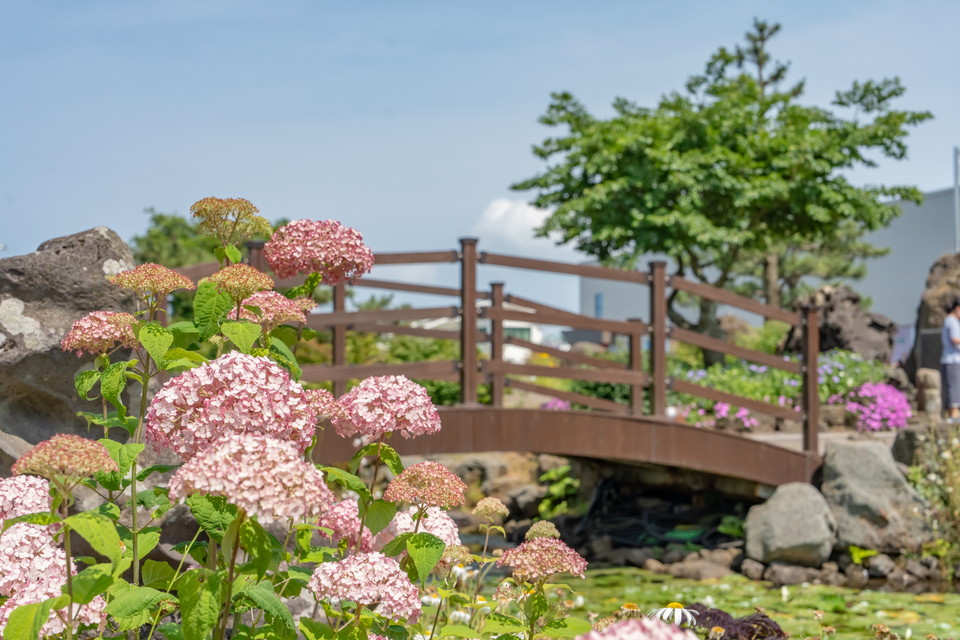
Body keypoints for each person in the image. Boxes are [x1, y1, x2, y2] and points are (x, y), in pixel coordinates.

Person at [942, 298, 960, 421]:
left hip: (952, 359)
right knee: (954, 387)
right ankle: (953, 415)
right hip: (952, 359)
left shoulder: (949, 321)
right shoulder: (952, 321)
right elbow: (955, 339)